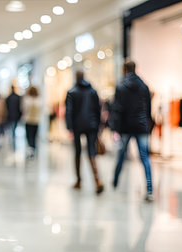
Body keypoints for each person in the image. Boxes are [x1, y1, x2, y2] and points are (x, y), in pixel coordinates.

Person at [110, 60, 154, 202]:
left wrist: (115, 128)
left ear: (124, 70)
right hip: (141, 127)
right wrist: (148, 125)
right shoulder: (144, 86)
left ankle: (115, 182)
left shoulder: (121, 86)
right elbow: (148, 109)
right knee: (145, 158)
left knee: (121, 155)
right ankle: (149, 189)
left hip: (125, 127)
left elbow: (117, 110)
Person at [65, 71, 104, 194]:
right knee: (91, 151)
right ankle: (97, 180)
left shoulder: (71, 92)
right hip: (91, 125)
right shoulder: (93, 91)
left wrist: (69, 127)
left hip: (77, 126)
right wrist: (98, 126)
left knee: (77, 152)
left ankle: (78, 181)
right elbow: (98, 110)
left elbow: (69, 111)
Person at [22, 86, 41, 159]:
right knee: (34, 135)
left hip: (29, 120)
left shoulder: (27, 100)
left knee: (29, 136)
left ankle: (31, 150)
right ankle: (33, 149)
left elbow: (24, 109)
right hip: (35, 120)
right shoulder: (39, 100)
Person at [5, 85, 22, 151]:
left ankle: (12, 139)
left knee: (12, 129)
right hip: (16, 116)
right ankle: (13, 139)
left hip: (10, 116)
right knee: (14, 128)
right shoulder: (18, 97)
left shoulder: (8, 98)